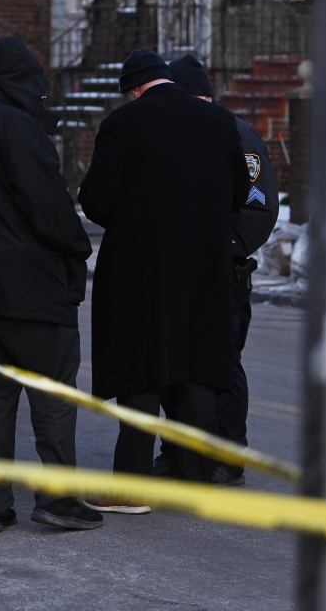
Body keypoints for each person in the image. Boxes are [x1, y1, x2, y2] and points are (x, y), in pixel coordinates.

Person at [0, 36, 100, 534]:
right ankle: (58, 498)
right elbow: (48, 205)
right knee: (51, 394)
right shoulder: (16, 127)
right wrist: (77, 251)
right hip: (30, 283)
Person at [78, 49, 248, 512]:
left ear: (132, 89)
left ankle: (131, 486)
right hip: (205, 269)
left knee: (139, 369)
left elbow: (96, 201)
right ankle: (193, 477)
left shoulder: (125, 123)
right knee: (196, 370)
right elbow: (238, 192)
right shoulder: (218, 122)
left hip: (141, 268)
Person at [153, 54, 280, 486]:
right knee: (176, 365)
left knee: (222, 363)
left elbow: (259, 206)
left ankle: (229, 452)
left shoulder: (238, 136)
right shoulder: (175, 135)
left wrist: (223, 246)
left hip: (223, 272)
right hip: (178, 271)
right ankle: (178, 449)